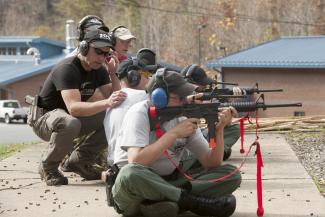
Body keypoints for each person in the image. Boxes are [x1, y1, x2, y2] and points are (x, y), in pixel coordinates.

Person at [110, 70, 241, 217]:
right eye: (180, 97)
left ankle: (162, 205)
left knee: (232, 174)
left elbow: (211, 163)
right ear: (159, 97)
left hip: (169, 183)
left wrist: (219, 130)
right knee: (130, 173)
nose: (186, 100)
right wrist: (174, 134)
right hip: (135, 190)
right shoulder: (139, 113)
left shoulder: (182, 115)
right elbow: (136, 161)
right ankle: (191, 203)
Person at [30, 29, 127, 186]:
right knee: (70, 123)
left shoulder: (99, 69)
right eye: (98, 52)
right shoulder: (67, 68)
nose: (102, 58)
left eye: (106, 54)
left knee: (115, 116)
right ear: (83, 48)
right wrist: (107, 102)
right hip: (44, 119)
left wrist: (112, 72)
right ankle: (48, 167)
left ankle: (79, 161)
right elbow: (74, 108)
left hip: (69, 118)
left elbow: (115, 98)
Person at [181, 64, 240, 160]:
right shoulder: (178, 100)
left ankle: (215, 152)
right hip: (183, 140)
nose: (205, 88)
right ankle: (210, 155)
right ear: (189, 83)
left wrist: (225, 119)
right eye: (202, 85)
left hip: (199, 134)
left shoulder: (199, 99)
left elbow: (212, 121)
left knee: (234, 128)